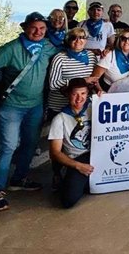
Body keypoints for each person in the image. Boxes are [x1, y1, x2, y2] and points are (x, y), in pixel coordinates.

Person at [0, 12, 59, 211]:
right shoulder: (12, 48)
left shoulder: (48, 46)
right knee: (8, 147)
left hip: (35, 105)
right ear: (24, 28)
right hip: (11, 107)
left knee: (29, 144)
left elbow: (68, 51)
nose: (38, 32)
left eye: (42, 28)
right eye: (33, 28)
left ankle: (19, 178)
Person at [48, 78, 93, 208]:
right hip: (77, 159)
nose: (79, 98)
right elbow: (55, 152)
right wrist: (78, 166)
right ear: (68, 94)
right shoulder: (60, 119)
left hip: (96, 154)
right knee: (68, 200)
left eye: (83, 94)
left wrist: (104, 97)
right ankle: (64, 178)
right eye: (75, 94)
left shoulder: (95, 108)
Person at [47, 27, 99, 118]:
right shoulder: (60, 58)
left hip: (83, 106)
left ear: (86, 40)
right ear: (68, 40)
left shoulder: (91, 56)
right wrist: (83, 81)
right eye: (74, 37)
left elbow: (94, 79)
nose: (78, 40)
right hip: (59, 106)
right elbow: (53, 84)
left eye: (82, 37)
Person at [90, 28, 129, 93]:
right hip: (109, 91)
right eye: (123, 38)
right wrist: (101, 91)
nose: (127, 41)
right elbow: (94, 77)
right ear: (119, 40)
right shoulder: (109, 54)